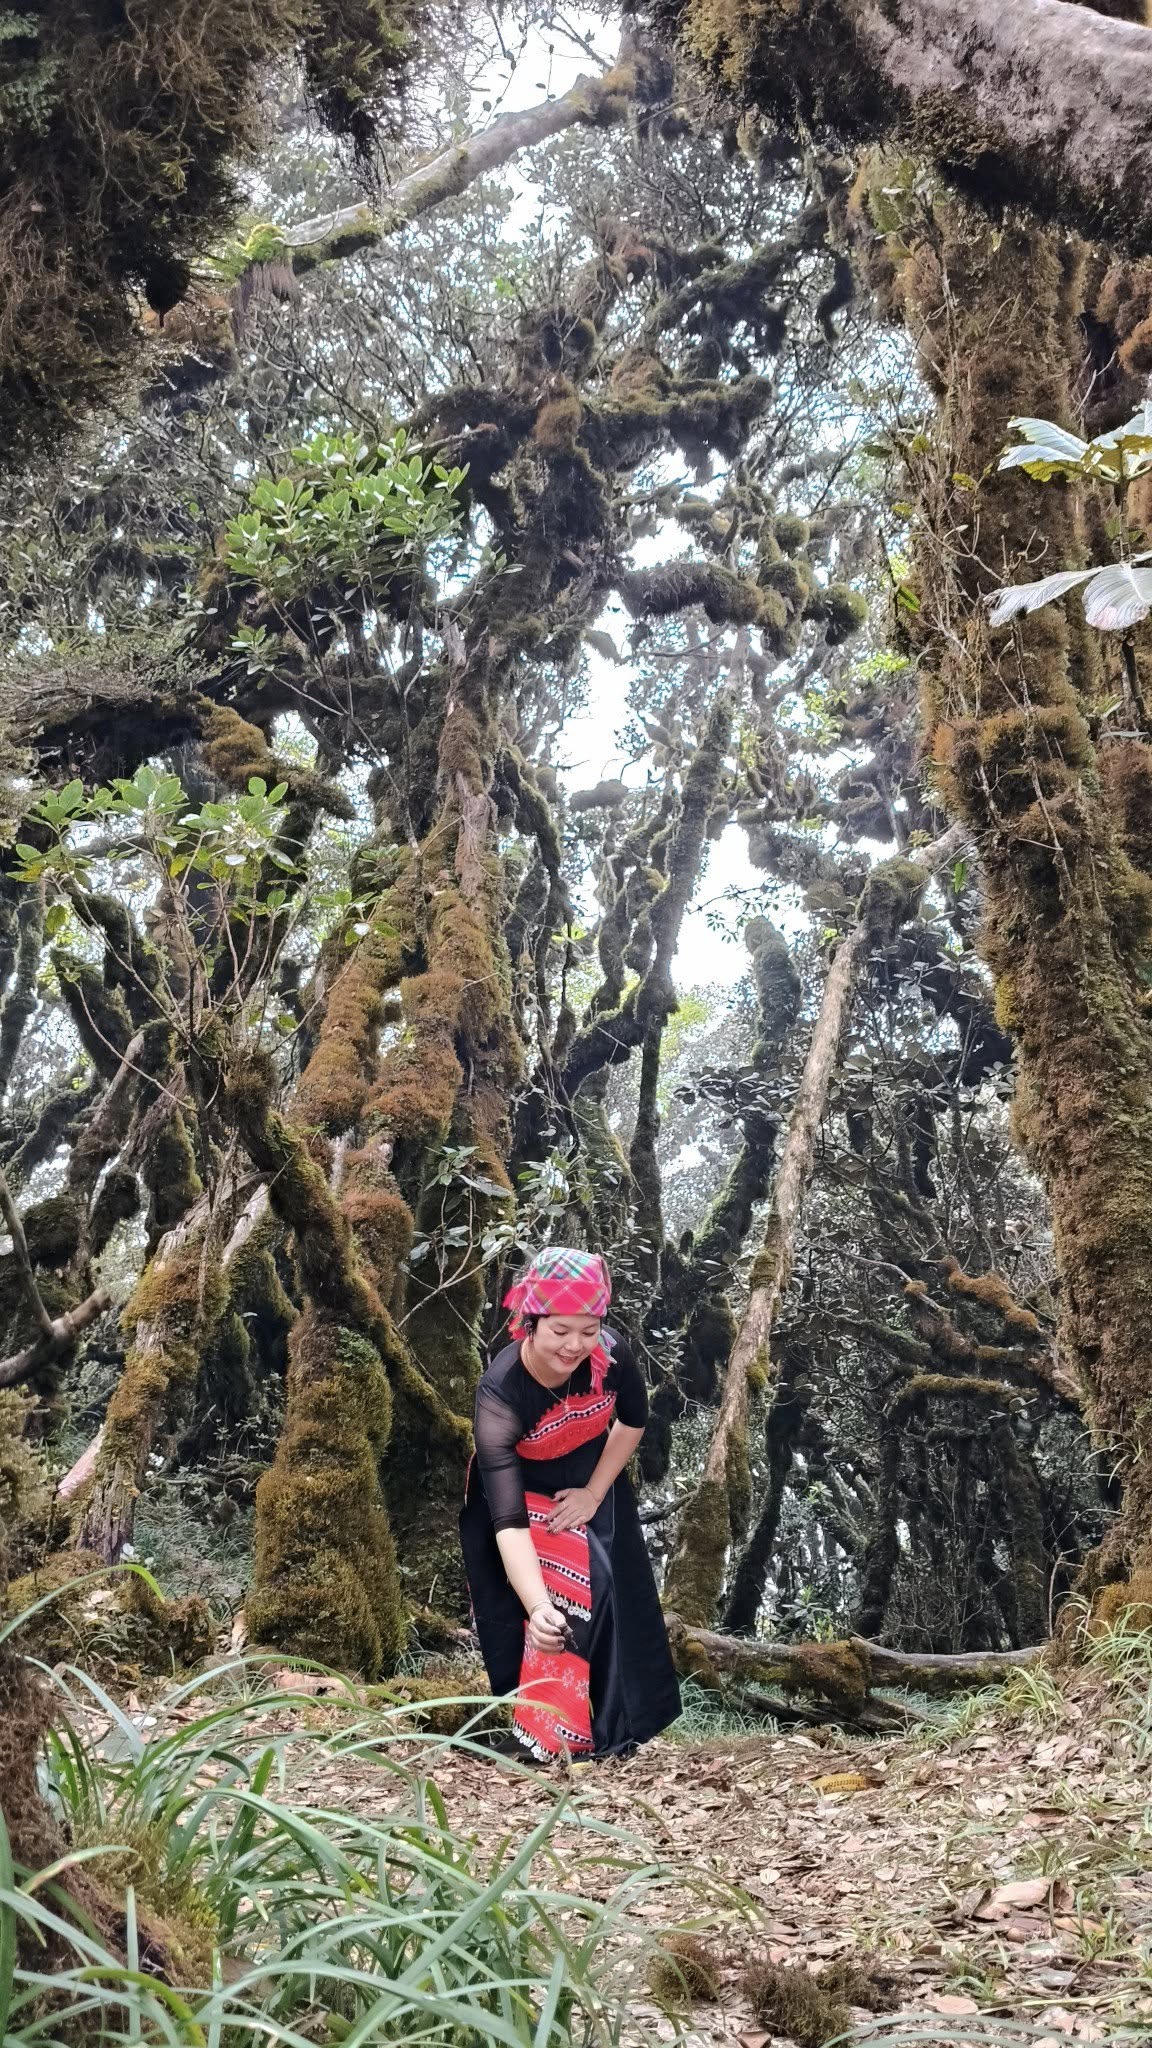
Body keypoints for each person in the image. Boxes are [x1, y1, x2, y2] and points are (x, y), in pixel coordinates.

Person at [459, 1246, 681, 1763]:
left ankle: (610, 1733)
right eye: (560, 1330)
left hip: (588, 1480)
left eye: (589, 1329)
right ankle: (542, 1736)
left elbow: (632, 1423)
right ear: (531, 1322)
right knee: (548, 1604)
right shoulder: (500, 1392)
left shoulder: (613, 1355)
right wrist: (537, 1607)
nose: (576, 1345)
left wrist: (595, 1493)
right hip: (515, 1494)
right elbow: (509, 1521)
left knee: (606, 1586)